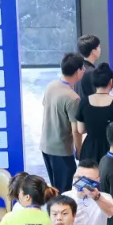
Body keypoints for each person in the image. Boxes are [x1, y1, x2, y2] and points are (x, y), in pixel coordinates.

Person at [42, 53, 84, 191]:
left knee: (55, 188)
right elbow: (76, 130)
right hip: (61, 150)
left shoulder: (51, 86)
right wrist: (79, 150)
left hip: (46, 146)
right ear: (77, 71)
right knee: (65, 191)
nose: (84, 71)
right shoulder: (73, 98)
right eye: (82, 68)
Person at [74, 63, 113, 165]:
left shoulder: (84, 102)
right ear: (111, 82)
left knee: (90, 174)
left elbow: (81, 130)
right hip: (112, 150)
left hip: (90, 149)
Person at [64, 160, 113, 225]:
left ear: (97, 180)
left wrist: (97, 197)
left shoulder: (105, 197)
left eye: (87, 180)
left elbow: (111, 211)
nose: (81, 182)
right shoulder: (65, 196)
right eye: (78, 178)